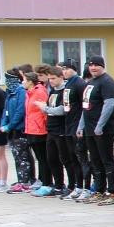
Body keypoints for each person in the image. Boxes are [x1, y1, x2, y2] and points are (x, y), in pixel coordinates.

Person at [77, 56, 114, 204]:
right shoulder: (91, 83)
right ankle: (99, 190)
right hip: (89, 129)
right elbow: (85, 106)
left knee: (106, 160)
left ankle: (112, 192)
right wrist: (81, 126)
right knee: (95, 160)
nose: (93, 68)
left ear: (102, 66)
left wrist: (100, 125)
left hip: (103, 130)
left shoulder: (107, 82)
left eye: (96, 65)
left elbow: (109, 105)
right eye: (91, 65)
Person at [39, 66, 77, 198]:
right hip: (51, 129)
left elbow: (61, 110)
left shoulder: (64, 91)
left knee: (66, 159)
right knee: (52, 158)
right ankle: (59, 185)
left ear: (61, 77)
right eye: (49, 79)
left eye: (53, 78)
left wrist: (46, 108)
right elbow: (49, 107)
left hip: (61, 130)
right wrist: (45, 108)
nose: (51, 81)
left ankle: (72, 185)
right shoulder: (52, 91)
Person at [58, 60, 90, 201]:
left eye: (67, 69)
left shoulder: (79, 83)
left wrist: (81, 126)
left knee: (81, 158)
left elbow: (85, 106)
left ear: (74, 69)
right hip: (68, 125)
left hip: (77, 125)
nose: (64, 72)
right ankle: (78, 186)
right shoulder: (68, 84)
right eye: (63, 69)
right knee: (73, 158)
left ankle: (87, 187)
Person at [0, 68, 33, 193]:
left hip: (20, 129)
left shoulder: (21, 92)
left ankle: (25, 182)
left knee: (22, 157)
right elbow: (5, 111)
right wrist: (3, 124)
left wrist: (10, 125)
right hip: (11, 131)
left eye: (7, 79)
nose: (6, 82)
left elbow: (20, 111)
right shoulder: (10, 93)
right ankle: (20, 181)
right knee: (16, 157)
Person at [24, 70, 53, 193]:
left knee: (43, 158)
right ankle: (42, 181)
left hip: (39, 129)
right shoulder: (30, 93)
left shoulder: (40, 92)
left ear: (30, 82)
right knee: (40, 158)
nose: (23, 82)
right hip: (31, 128)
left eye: (24, 80)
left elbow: (44, 111)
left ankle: (47, 183)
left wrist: (44, 125)